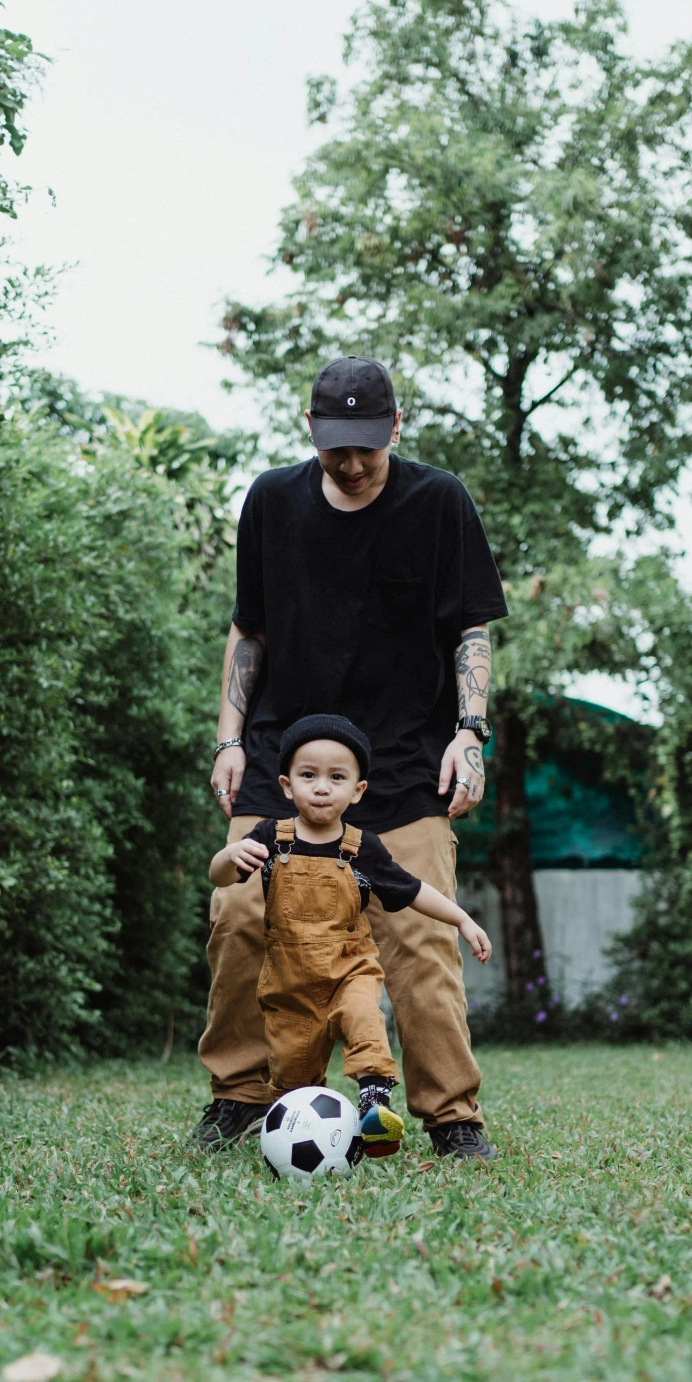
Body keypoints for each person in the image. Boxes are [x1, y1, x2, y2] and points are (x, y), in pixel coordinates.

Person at [192, 355, 507, 1159]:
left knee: (422, 935)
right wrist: (230, 738)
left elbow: (472, 627)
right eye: (339, 448)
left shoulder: (438, 502)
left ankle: (452, 1116)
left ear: (396, 428)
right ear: (313, 432)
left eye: (369, 445)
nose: (355, 462)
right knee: (238, 915)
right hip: (285, 759)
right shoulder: (270, 500)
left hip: (404, 762)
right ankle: (238, 1096)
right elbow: (249, 629)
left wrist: (469, 732)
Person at [207, 716, 493, 1157]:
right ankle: (308, 1132)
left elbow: (414, 890)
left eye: (336, 777)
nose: (322, 787)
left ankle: (374, 1105)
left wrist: (463, 921)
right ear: (286, 786)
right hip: (289, 987)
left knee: (365, 1020)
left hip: (349, 971)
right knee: (294, 1079)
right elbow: (220, 877)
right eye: (308, 776)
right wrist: (229, 856)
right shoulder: (269, 838)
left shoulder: (364, 849)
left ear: (357, 791)